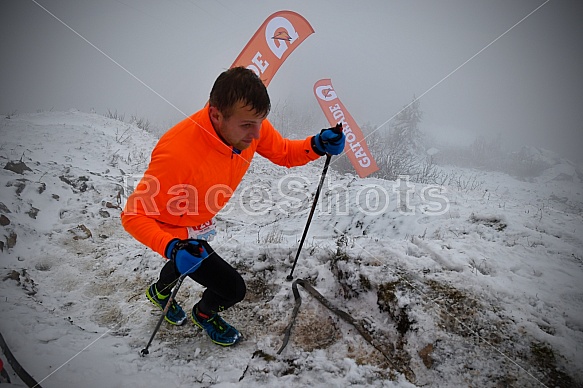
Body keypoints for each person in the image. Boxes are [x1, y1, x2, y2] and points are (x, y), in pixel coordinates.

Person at [121, 66, 345, 346]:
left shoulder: (248, 124)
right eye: (247, 125)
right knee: (232, 288)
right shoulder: (177, 155)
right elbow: (133, 214)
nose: (256, 134)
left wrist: (317, 144)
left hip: (199, 216)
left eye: (260, 123)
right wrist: (172, 246)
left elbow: (284, 153)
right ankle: (204, 313)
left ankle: (160, 291)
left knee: (186, 260)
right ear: (216, 115)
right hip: (171, 226)